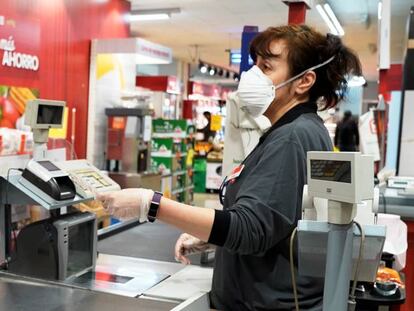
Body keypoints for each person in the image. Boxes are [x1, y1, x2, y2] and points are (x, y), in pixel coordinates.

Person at [97, 24, 362, 310]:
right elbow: (279, 223)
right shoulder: (300, 130)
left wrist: (150, 203)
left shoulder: (292, 137)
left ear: (303, 81)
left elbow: (249, 229)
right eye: (255, 65)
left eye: (267, 67)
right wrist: (213, 238)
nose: (252, 76)